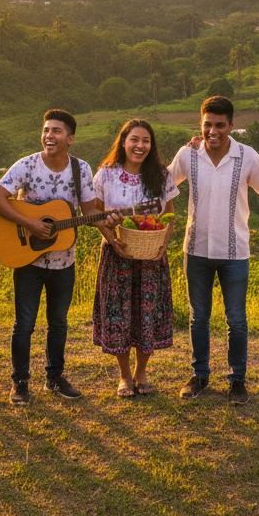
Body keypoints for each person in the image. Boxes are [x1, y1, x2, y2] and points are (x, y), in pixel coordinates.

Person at [0, 108, 117, 405]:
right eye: (46, 130)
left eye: (56, 131)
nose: (49, 135)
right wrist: (30, 223)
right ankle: (20, 382)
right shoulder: (27, 165)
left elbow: (88, 210)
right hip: (28, 259)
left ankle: (54, 378)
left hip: (64, 261)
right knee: (25, 324)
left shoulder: (80, 169)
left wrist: (108, 227)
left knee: (58, 322)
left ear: (70, 138)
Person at [168, 96, 259, 405]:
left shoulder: (247, 156)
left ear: (231, 125)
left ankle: (237, 380)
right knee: (198, 317)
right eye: (207, 125)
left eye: (219, 125)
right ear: (200, 125)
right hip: (196, 249)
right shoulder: (188, 155)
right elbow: (164, 182)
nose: (212, 131)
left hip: (235, 251)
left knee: (236, 320)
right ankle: (200, 375)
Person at [93, 119, 179, 398]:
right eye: (134, 139)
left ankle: (142, 373)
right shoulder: (106, 174)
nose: (140, 146)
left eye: (146, 141)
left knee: (146, 315)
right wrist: (111, 239)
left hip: (151, 256)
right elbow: (95, 215)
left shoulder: (161, 175)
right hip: (117, 255)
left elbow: (170, 215)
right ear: (123, 142)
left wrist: (162, 245)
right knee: (120, 316)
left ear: (151, 146)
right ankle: (124, 376)